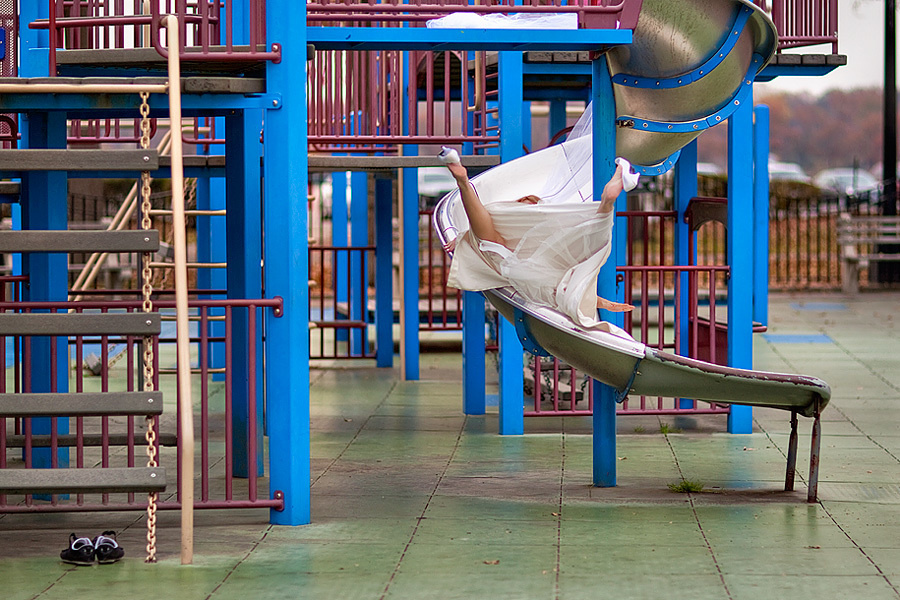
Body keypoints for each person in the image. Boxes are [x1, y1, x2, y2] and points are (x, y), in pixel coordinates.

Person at [442, 153, 636, 330]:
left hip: (521, 268)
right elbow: (570, 290)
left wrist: (463, 236)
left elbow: (572, 290)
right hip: (525, 270)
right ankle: (463, 182)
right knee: (595, 228)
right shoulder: (546, 251)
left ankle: (463, 182)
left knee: (597, 226)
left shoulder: (536, 249)